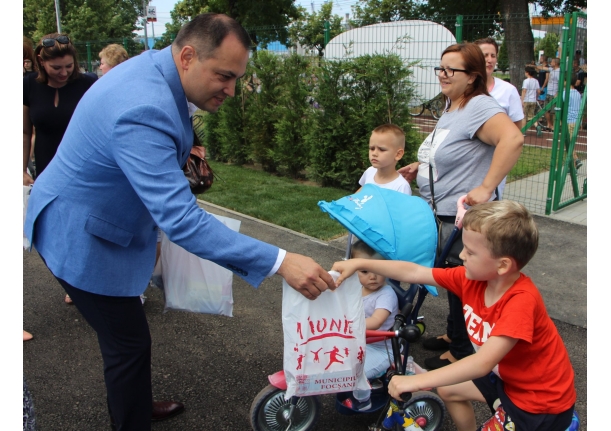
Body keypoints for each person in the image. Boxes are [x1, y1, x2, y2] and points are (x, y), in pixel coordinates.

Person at [24, 13, 336, 431]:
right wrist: (281, 261)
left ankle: (132, 401)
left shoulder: (158, 69)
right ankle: (131, 416)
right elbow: (182, 221)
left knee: (127, 345)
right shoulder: (144, 107)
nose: (231, 90)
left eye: (238, 78)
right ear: (188, 56)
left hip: (90, 215)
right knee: (128, 344)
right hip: (78, 235)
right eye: (224, 76)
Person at [332, 200, 577, 431]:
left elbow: (482, 363)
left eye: (470, 252)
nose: (461, 256)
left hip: (538, 402)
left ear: (502, 265)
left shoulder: (521, 302)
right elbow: (415, 272)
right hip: (507, 377)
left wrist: (415, 381)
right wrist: (360, 264)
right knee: (449, 390)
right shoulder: (471, 279)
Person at [397, 43, 523, 371]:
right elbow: (455, 152)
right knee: (456, 280)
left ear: (472, 77)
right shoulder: (453, 106)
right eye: (441, 68)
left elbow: (513, 139)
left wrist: (486, 187)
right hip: (443, 214)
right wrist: (421, 166)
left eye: (451, 69)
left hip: (463, 217)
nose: (443, 74)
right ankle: (455, 335)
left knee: (465, 282)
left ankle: (464, 351)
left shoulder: (479, 105)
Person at [24, 33, 98, 305]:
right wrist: (20, 168)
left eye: (69, 66)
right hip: (47, 170)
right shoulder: (27, 85)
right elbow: (24, 132)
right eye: (56, 67)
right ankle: (71, 279)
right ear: (41, 62)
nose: (64, 73)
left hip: (84, 169)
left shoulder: (88, 83)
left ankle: (83, 282)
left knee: (82, 229)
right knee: (53, 232)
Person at [340, 240, 398, 411]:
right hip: (362, 341)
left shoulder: (386, 295)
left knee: (356, 372)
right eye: (364, 271)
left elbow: (376, 321)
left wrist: (349, 324)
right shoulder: (358, 288)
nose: (372, 277)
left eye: (377, 270)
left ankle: (363, 400)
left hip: (382, 349)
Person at [474, 38, 523, 199]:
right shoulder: (462, 89)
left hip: (491, 162)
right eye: (485, 55)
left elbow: (516, 128)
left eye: (493, 55)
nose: (489, 60)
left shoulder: (508, 91)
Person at [358, 124, 411, 195]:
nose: (374, 153)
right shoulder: (370, 172)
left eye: (381, 149)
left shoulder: (401, 186)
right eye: (372, 148)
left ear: (398, 154)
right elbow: (358, 195)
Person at [565, 76, 583, 169]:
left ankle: (576, 160)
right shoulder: (577, 93)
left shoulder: (565, 93)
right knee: (571, 143)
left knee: (569, 144)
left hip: (569, 120)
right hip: (577, 121)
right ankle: (572, 167)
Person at [543, 58, 560, 132]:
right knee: (546, 110)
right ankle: (549, 124)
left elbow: (560, 83)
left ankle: (554, 126)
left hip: (554, 94)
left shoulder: (559, 71)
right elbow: (543, 68)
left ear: (556, 63)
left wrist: (557, 93)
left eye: (552, 62)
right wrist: (533, 66)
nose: (551, 62)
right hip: (548, 93)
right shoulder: (551, 69)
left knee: (553, 111)